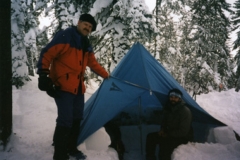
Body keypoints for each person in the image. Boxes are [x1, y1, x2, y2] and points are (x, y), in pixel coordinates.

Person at [37, 13, 109, 160]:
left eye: (90, 27)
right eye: (86, 24)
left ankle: (71, 148)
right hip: (62, 86)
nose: (87, 28)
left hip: (78, 88)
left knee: (77, 119)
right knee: (65, 120)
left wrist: (107, 76)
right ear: (79, 22)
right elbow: (47, 53)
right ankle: (60, 155)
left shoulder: (85, 43)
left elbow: (93, 63)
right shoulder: (66, 36)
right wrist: (43, 74)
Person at [145, 88, 193, 160]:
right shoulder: (168, 108)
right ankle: (150, 158)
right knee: (151, 137)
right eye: (171, 97)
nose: (173, 99)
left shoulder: (185, 111)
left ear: (179, 99)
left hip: (183, 137)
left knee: (165, 144)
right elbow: (164, 122)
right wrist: (162, 130)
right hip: (170, 133)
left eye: (175, 97)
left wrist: (167, 134)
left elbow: (183, 131)